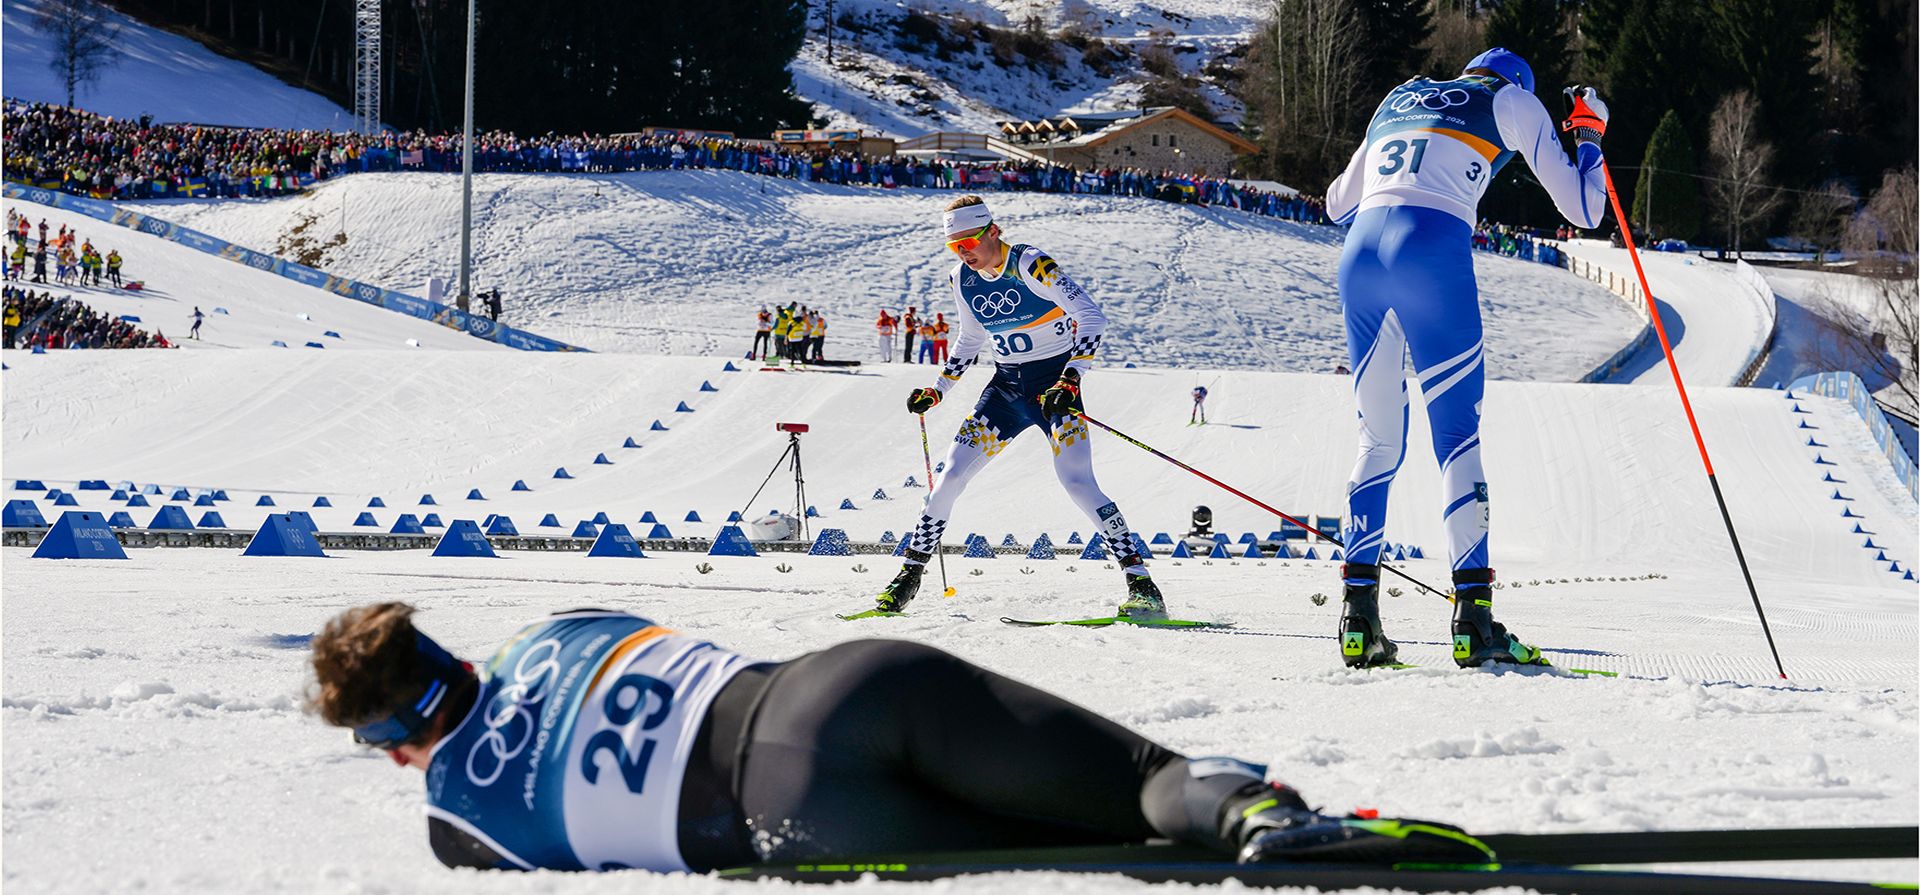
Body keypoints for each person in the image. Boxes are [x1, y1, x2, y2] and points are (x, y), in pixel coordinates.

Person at [306, 602, 1487, 873]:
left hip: (779, 814)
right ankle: (1252, 811)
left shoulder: (455, 826)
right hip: (846, 683)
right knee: (1136, 782)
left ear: (400, 730)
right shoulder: (560, 627)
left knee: (1064, 849)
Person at [1321, 48, 1609, 669]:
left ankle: (1358, 618)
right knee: (1456, 439)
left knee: (1377, 441)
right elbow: (1585, 210)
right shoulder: (1512, 100)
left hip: (1360, 258)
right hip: (1430, 254)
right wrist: (1588, 135)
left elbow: (1335, 203)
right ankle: (1473, 620)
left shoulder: (1400, 92)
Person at [879, 195, 1167, 620]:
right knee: (949, 478)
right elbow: (970, 339)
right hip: (1006, 390)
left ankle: (1142, 584)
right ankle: (908, 576)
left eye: (969, 242)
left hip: (1053, 388)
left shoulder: (1031, 264)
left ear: (993, 231)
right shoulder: (962, 278)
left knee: (1078, 483)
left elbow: (1091, 317)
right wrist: (939, 389)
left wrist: (1071, 378)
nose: (964, 253)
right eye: (954, 246)